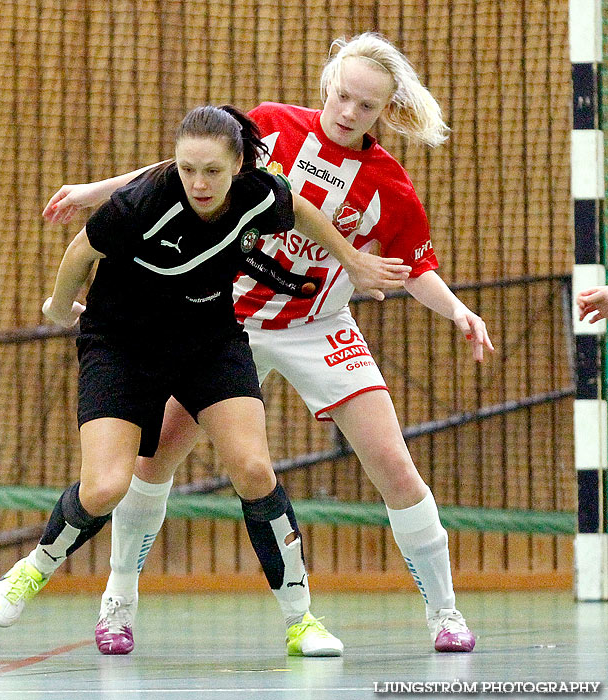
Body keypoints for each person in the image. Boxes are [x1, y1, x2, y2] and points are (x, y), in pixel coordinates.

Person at [44, 32, 494, 656]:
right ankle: (119, 600)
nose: (347, 113)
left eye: (365, 107)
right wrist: (97, 192)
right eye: (342, 97)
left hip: (321, 326)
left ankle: (444, 613)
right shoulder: (273, 131)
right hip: (228, 322)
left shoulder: (389, 186)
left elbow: (414, 267)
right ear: (327, 85)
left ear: (383, 112)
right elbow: (186, 172)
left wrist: (458, 311)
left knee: (393, 462)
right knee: (155, 458)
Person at [0, 104, 411, 657]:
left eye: (211, 170)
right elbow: (81, 249)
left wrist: (351, 259)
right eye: (187, 169)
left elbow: (301, 209)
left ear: (239, 164)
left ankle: (300, 620)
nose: (198, 183)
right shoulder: (143, 203)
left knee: (255, 469)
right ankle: (35, 567)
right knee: (106, 486)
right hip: (121, 343)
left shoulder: (260, 192)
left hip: (209, 338)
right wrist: (59, 307)